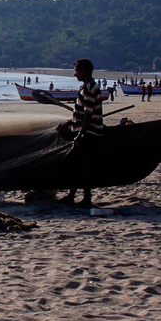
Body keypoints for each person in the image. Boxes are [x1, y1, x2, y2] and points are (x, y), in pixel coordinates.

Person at [61, 58, 104, 208]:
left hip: (88, 133)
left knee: (83, 165)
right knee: (77, 164)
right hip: (82, 130)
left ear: (85, 71)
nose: (75, 74)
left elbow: (88, 113)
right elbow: (81, 112)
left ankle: (86, 199)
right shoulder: (85, 87)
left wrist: (81, 135)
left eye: (77, 71)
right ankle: (71, 196)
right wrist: (69, 123)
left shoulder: (89, 88)